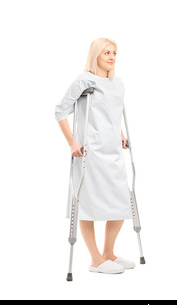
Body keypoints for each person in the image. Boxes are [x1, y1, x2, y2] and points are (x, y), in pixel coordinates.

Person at [55, 38, 135, 274]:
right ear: (96, 55)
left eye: (114, 53)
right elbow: (60, 111)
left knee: (121, 202)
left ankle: (109, 253)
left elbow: (112, 114)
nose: (111, 57)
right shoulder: (84, 80)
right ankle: (96, 259)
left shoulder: (118, 83)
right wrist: (72, 143)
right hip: (89, 152)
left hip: (112, 153)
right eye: (106, 53)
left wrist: (120, 134)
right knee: (87, 205)